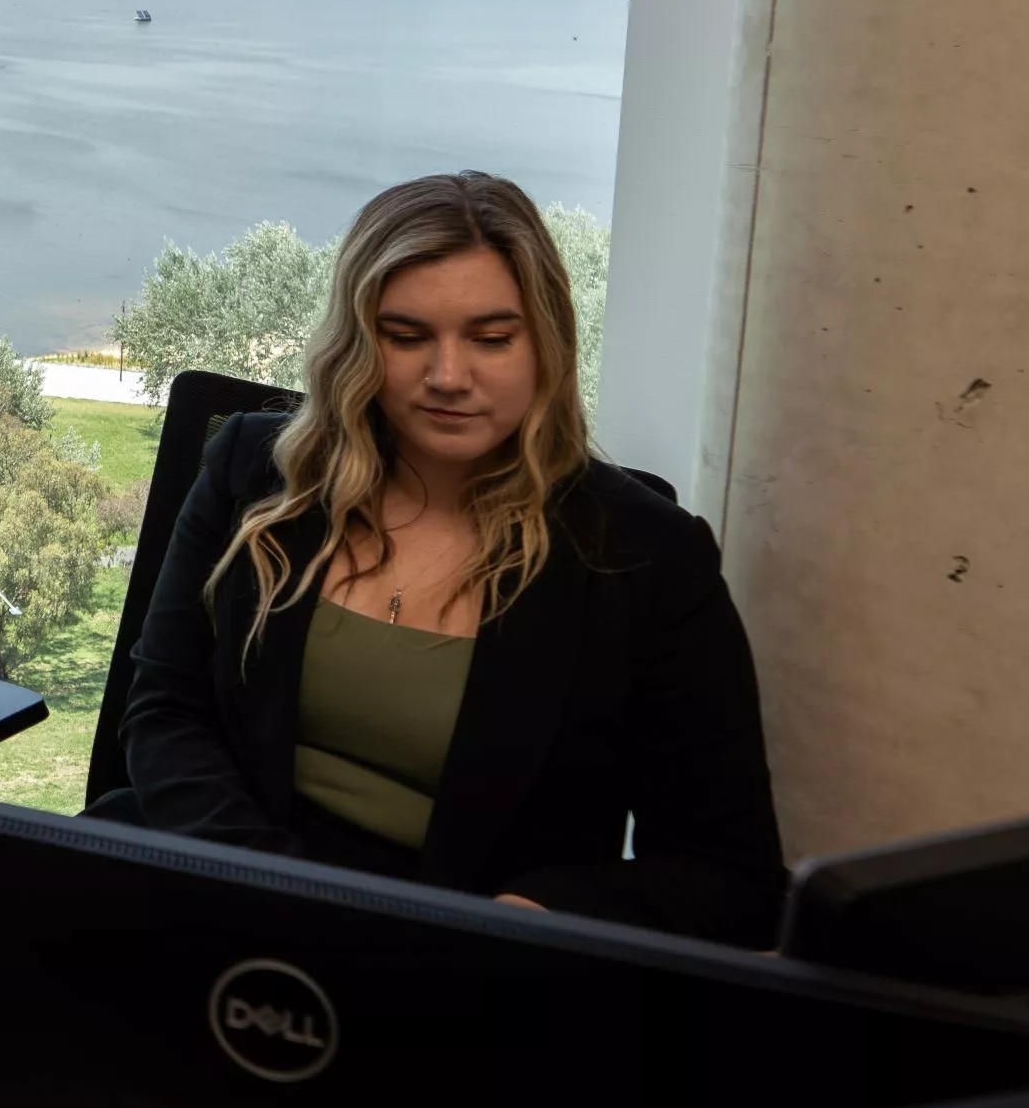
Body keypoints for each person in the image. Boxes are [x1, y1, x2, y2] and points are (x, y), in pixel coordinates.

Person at [122, 170, 786, 947]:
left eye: (491, 337)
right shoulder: (252, 470)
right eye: (406, 336)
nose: (447, 376)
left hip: (463, 963)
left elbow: (730, 878)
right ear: (359, 341)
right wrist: (278, 890)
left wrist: (534, 916)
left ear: (548, 339)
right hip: (218, 898)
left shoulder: (650, 561)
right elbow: (164, 710)